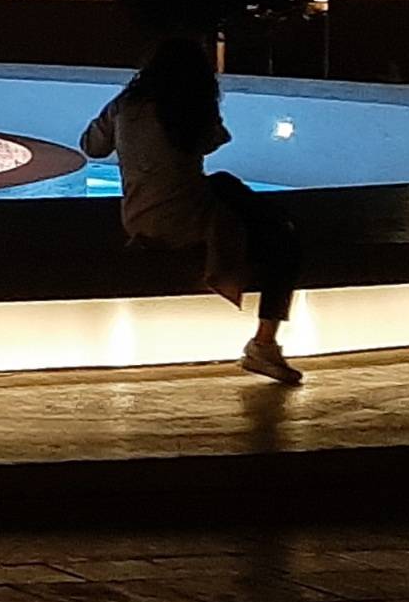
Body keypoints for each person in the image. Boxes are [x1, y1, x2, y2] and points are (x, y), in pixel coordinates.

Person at [80, 37, 304, 383]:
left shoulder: (125, 105)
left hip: (139, 218)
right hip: (188, 219)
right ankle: (264, 342)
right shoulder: (191, 107)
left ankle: (263, 346)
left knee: (224, 183)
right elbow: (214, 141)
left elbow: (91, 147)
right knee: (281, 237)